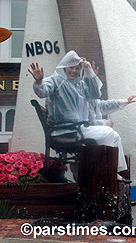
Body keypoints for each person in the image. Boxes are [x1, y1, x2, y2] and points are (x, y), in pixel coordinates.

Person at [28, 50, 129, 181]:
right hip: (65, 131)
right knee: (109, 133)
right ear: (64, 67)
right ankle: (105, 173)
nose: (74, 71)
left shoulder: (79, 85)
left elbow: (95, 94)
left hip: (77, 129)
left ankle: (113, 171)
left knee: (114, 135)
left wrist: (88, 69)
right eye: (71, 67)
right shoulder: (56, 80)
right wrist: (39, 82)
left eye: (78, 68)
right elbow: (42, 91)